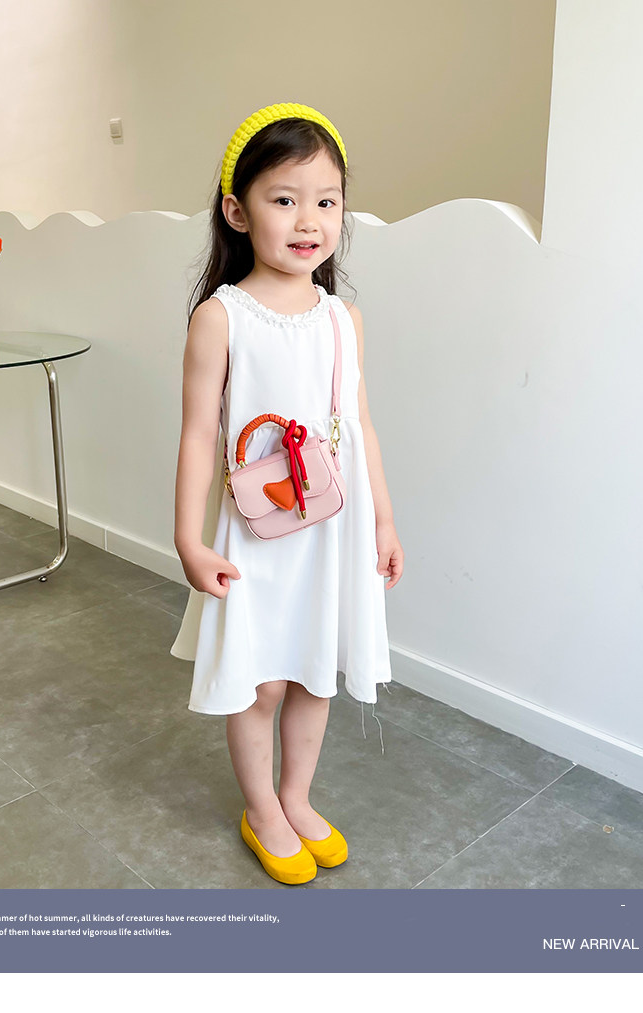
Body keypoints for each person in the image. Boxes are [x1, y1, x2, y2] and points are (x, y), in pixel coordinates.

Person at [171, 103, 404, 885]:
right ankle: (261, 807)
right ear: (237, 212)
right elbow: (198, 436)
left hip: (333, 525)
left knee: (313, 667)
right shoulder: (222, 318)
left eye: (326, 200)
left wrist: (384, 520)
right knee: (262, 679)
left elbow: (359, 426)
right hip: (258, 529)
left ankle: (297, 795)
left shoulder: (343, 319)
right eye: (284, 198)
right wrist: (189, 539)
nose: (309, 220)